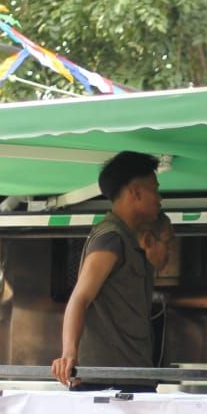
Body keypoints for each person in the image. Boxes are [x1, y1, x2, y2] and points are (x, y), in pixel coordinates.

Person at [51, 151, 162, 388]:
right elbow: (80, 297)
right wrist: (69, 353)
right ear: (135, 192)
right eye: (155, 189)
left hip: (130, 376)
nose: (159, 198)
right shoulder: (112, 237)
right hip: (108, 383)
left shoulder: (128, 238)